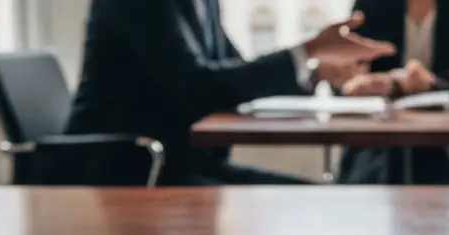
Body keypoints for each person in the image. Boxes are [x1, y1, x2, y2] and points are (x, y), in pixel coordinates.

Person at [66, 0, 395, 186]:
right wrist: (307, 50)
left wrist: (314, 69)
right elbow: (198, 88)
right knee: (318, 203)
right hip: (128, 168)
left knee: (327, 199)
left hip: (184, 162)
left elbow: (232, 73)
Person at [337, 0, 449, 185]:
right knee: (381, 167)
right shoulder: (372, 4)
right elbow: (352, 69)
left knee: (438, 165)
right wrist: (384, 82)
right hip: (379, 132)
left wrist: (431, 82)